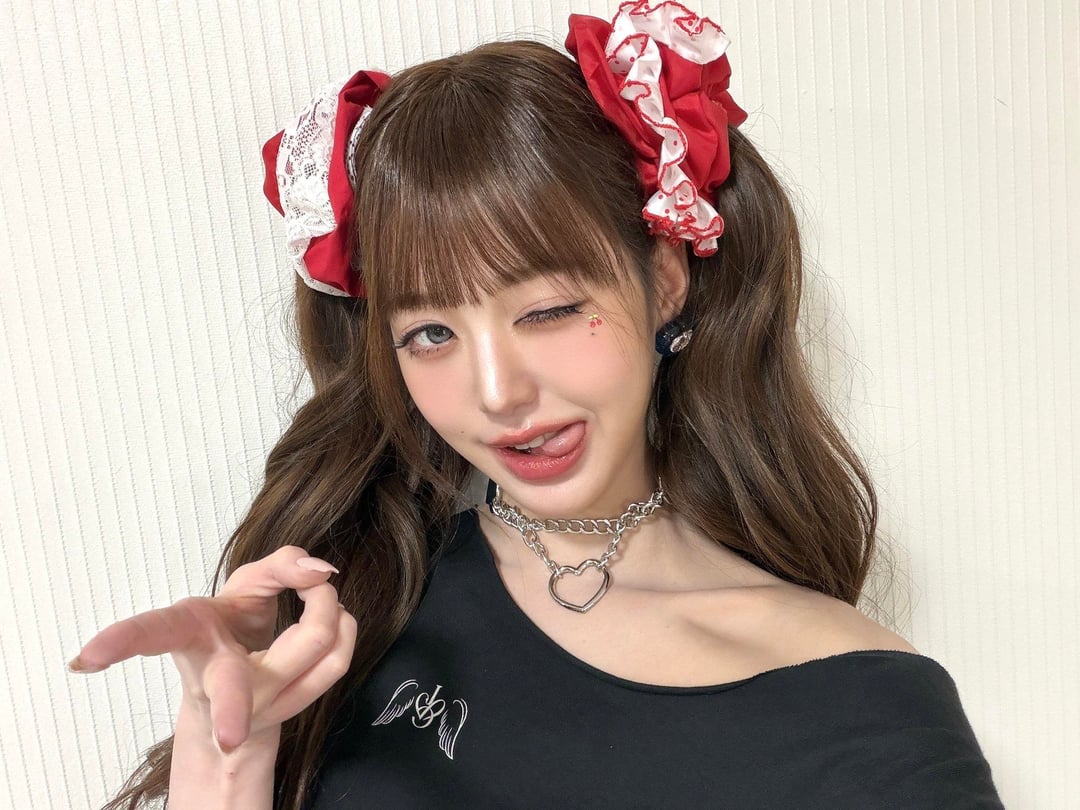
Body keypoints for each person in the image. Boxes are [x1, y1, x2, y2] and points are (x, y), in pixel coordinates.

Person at [69, 3, 1003, 808]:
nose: (498, 393)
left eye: (550, 311)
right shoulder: (354, 605)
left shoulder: (862, 710)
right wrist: (226, 761)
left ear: (664, 278)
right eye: (429, 333)